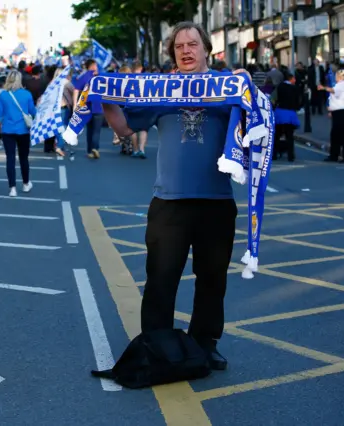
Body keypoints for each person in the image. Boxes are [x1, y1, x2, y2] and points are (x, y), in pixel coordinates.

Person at [102, 21, 251, 371]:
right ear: (173, 54)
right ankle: (157, 344)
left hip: (216, 202)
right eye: (179, 46)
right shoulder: (160, 90)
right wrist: (105, 100)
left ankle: (205, 342)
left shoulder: (225, 87)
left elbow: (256, 121)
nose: (186, 51)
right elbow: (125, 128)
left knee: (212, 279)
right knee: (160, 278)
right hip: (169, 202)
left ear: (206, 50)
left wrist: (247, 86)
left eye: (192, 44)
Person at [0, 70, 36, 197]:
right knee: (24, 158)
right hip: (23, 130)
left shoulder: (3, 95)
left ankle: (12, 188)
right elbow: (33, 112)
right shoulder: (27, 94)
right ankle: (25, 183)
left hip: (8, 130)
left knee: (10, 159)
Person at [319, 69, 344, 163]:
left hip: (341, 113)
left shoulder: (342, 85)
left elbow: (333, 91)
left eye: (336, 75)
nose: (335, 77)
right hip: (338, 113)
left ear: (340, 76)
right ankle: (334, 155)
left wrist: (323, 88)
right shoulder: (341, 85)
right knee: (335, 136)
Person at [74, 59, 103, 159]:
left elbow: (76, 90)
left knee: (90, 129)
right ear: (92, 66)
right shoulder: (100, 77)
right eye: (95, 65)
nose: (97, 67)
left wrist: (75, 104)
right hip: (98, 107)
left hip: (87, 107)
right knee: (96, 130)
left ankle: (90, 150)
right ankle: (95, 148)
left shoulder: (84, 77)